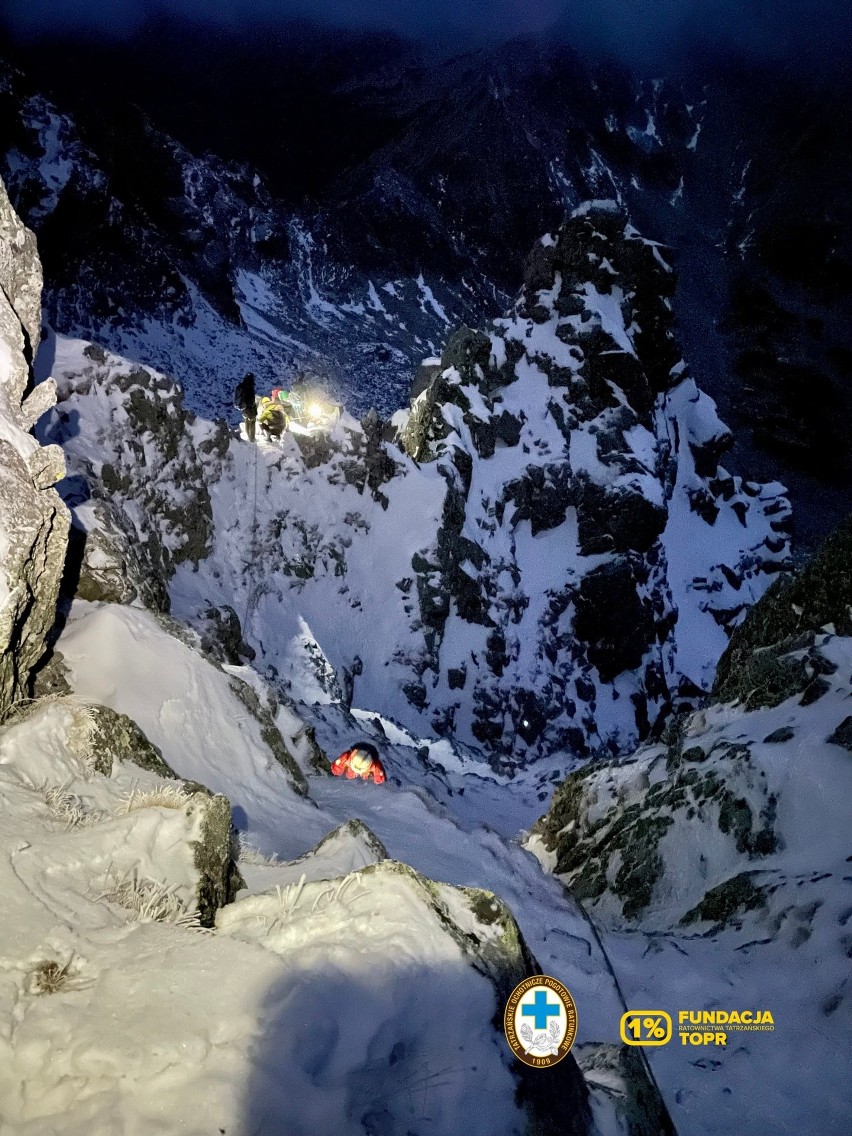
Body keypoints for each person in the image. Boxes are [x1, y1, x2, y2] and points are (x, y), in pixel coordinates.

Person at [234, 372, 257, 442]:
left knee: (246, 420)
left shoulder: (241, 386)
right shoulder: (249, 386)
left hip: (242, 407)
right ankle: (252, 438)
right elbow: (251, 398)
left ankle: (249, 436)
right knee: (252, 421)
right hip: (249, 407)